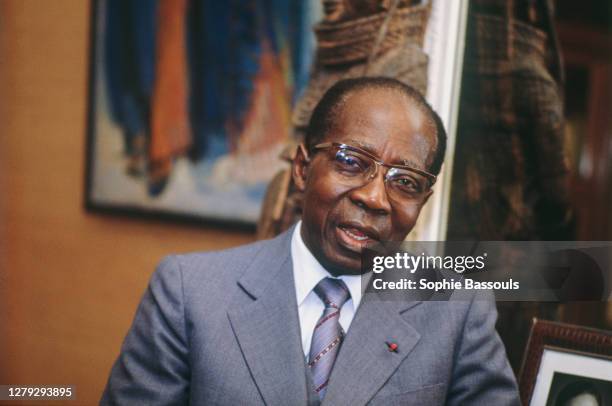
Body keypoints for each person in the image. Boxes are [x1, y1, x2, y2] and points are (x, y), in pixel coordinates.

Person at [101, 77, 520, 405]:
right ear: (303, 169)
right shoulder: (188, 292)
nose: (374, 197)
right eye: (351, 162)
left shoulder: (456, 310)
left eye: (404, 182)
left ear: (422, 202)